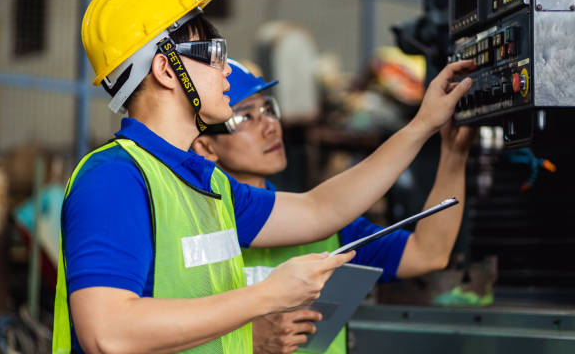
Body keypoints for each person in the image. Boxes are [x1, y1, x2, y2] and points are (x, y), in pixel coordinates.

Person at [53, 0, 476, 354]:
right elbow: (107, 333)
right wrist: (269, 296)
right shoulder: (114, 178)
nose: (225, 71)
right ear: (166, 69)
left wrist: (422, 126)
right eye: (213, 52)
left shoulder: (205, 184)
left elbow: (319, 210)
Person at [191, 59, 474, 354]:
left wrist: (455, 154)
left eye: (267, 109)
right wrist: (245, 341)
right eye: (244, 117)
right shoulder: (195, 235)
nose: (270, 126)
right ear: (205, 146)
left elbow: (428, 253)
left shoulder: (326, 226)